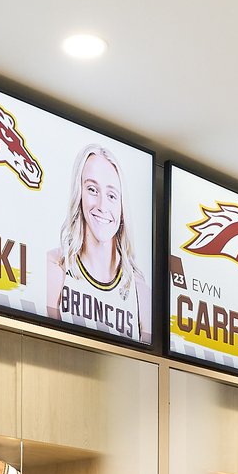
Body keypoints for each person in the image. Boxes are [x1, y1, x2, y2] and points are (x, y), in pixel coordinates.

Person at [46, 144, 147, 340]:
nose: (102, 206)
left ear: (122, 206)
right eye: (92, 189)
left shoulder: (139, 289)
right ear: (79, 193)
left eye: (111, 195)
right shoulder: (56, 267)